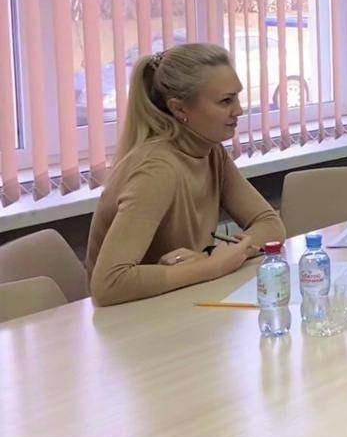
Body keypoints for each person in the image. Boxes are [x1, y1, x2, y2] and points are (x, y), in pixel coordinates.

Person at [86, 43, 285, 306]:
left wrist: (210, 256)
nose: (238, 110)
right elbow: (109, 284)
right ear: (179, 109)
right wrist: (213, 265)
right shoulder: (157, 169)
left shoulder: (210, 151)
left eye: (237, 98)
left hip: (177, 305)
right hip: (133, 318)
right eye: (226, 101)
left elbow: (270, 225)